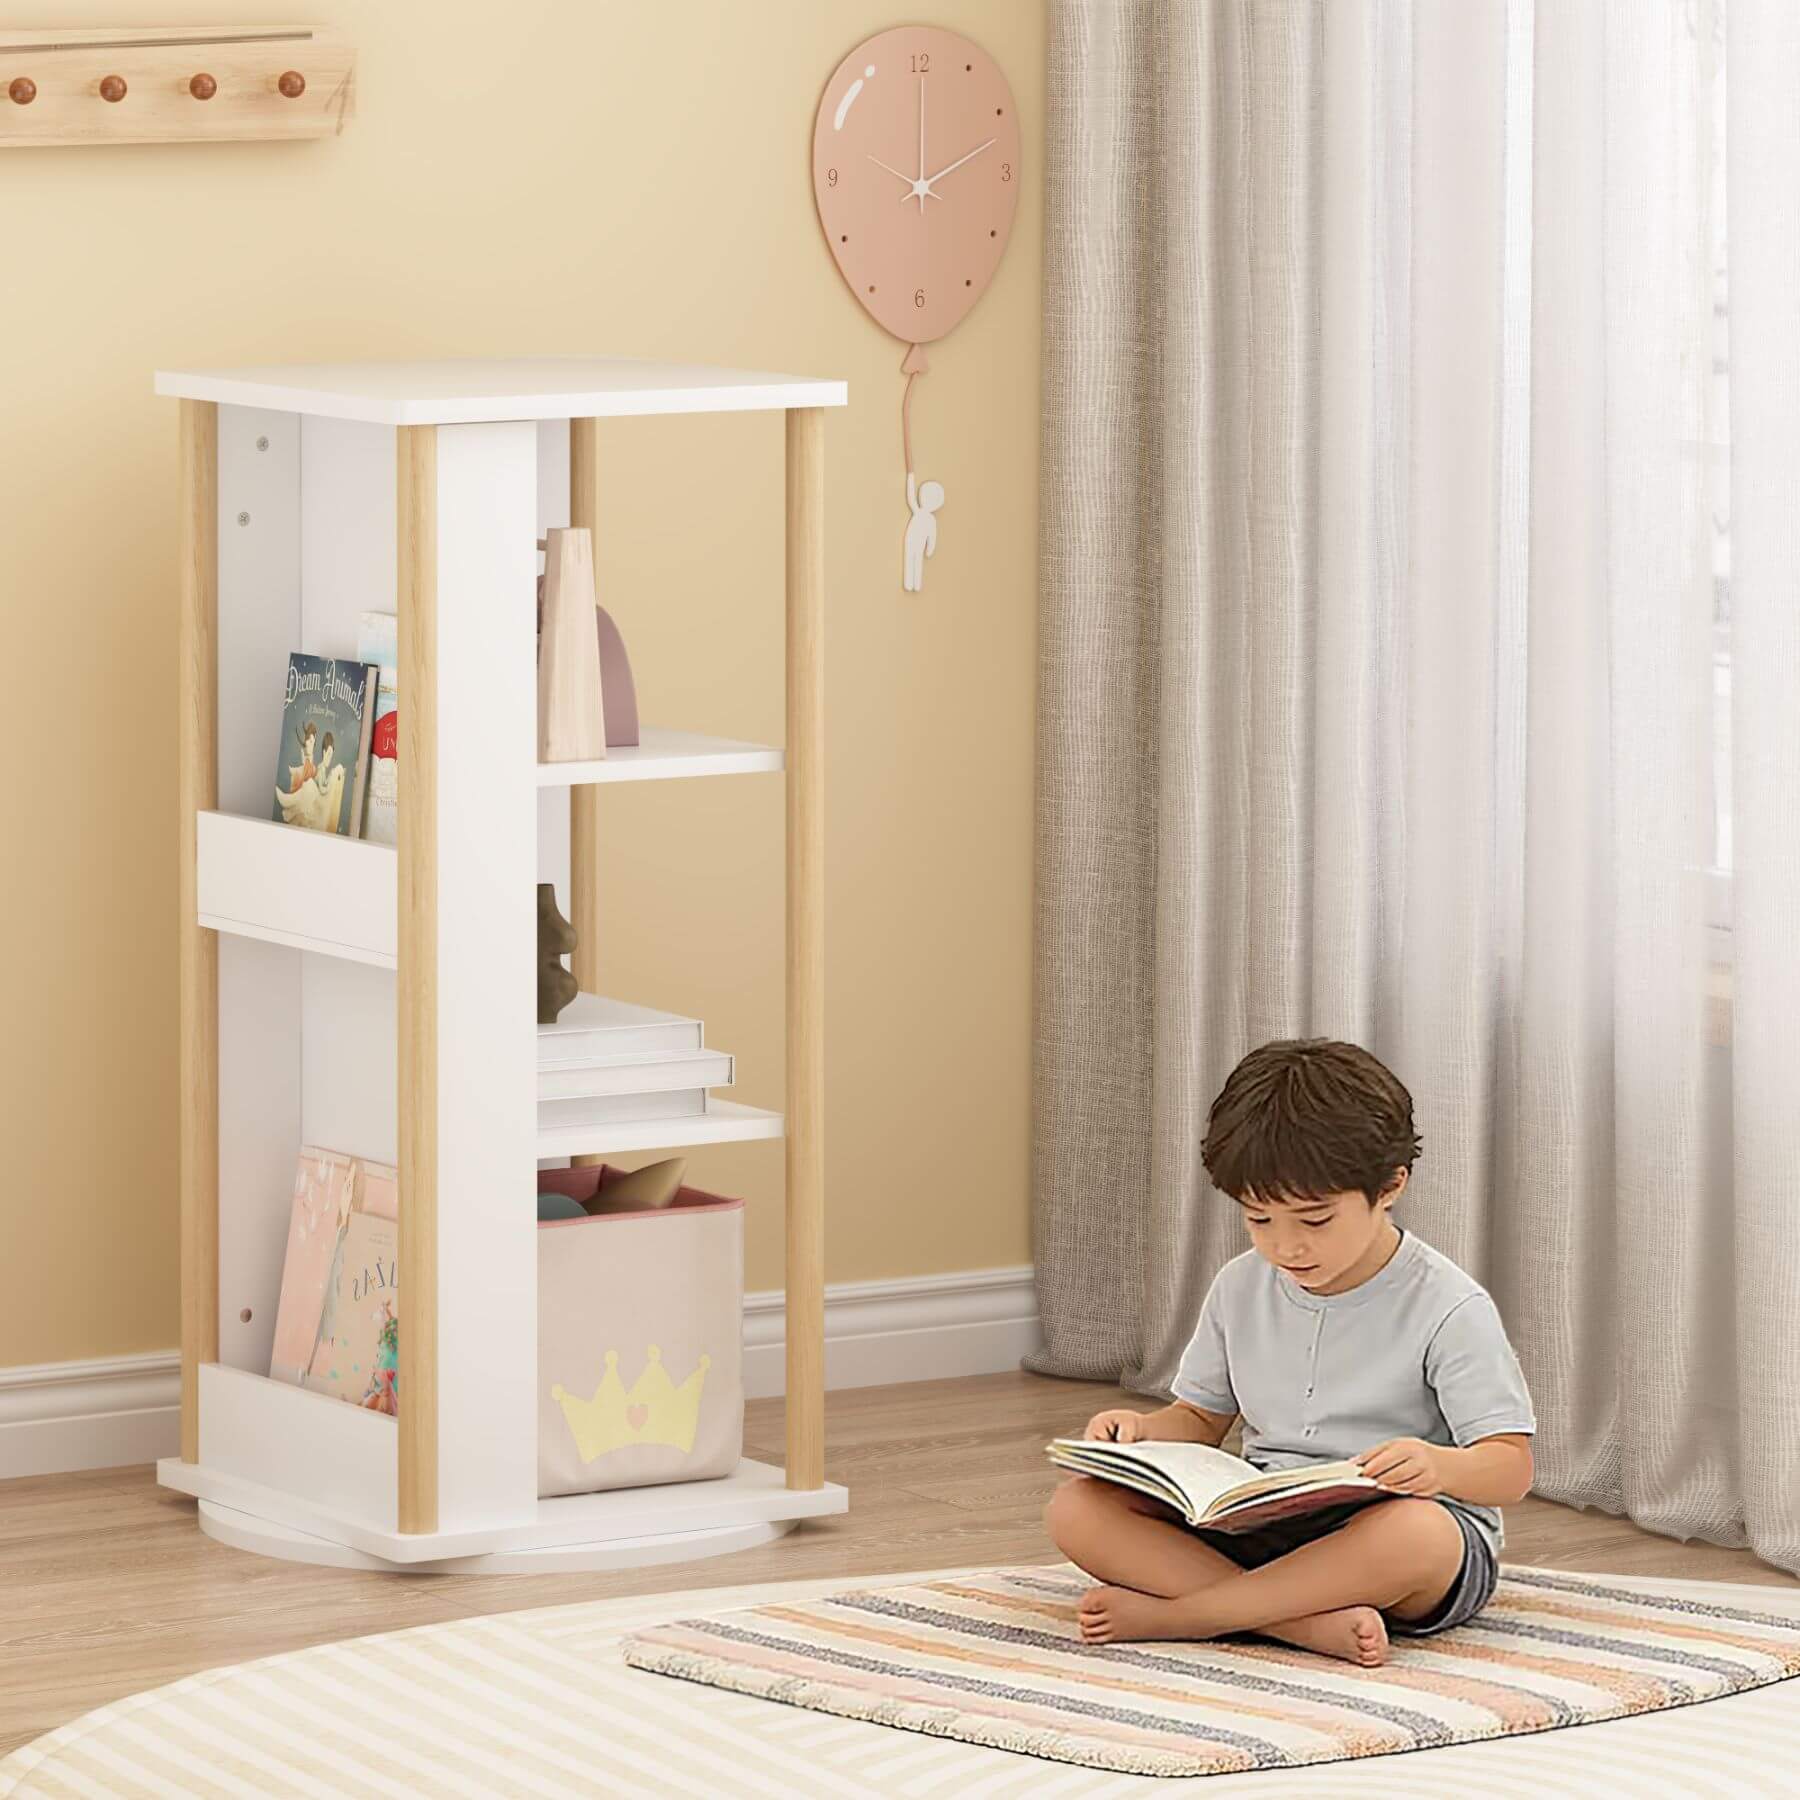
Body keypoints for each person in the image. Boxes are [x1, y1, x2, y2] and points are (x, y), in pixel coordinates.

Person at [1044, 1038, 1536, 1665]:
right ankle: (1300, 1625)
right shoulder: (1239, 1287)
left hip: (1392, 1538)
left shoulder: (1449, 1306)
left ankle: (1191, 1615)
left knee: (1418, 1533)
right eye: (1259, 1219)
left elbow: (1510, 1468)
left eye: (1315, 1220)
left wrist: (1438, 1467)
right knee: (1078, 1507)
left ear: (1390, 1186)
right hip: (1264, 1520)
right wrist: (1140, 1433)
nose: (1286, 1247)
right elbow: (1198, 1420)